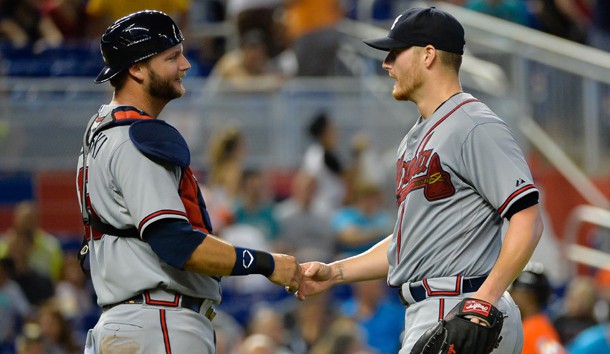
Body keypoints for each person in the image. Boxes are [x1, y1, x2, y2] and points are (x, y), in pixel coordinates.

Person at [296, 6, 544, 354]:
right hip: (441, 306)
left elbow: (527, 218)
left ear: (428, 55)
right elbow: (406, 244)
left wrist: (482, 302)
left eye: (396, 52)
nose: (387, 64)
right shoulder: (418, 137)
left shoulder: (472, 124)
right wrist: (335, 273)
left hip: (458, 305)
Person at [76, 10, 301, 353]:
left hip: (133, 318)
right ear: (135, 68)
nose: (186, 65)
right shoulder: (134, 138)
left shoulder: (100, 130)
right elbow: (175, 242)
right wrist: (267, 263)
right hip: (160, 320)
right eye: (172, 57)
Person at [509, 265, 567, 354]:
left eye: (514, 291)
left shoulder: (536, 330)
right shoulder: (530, 326)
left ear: (529, 297)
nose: (510, 295)